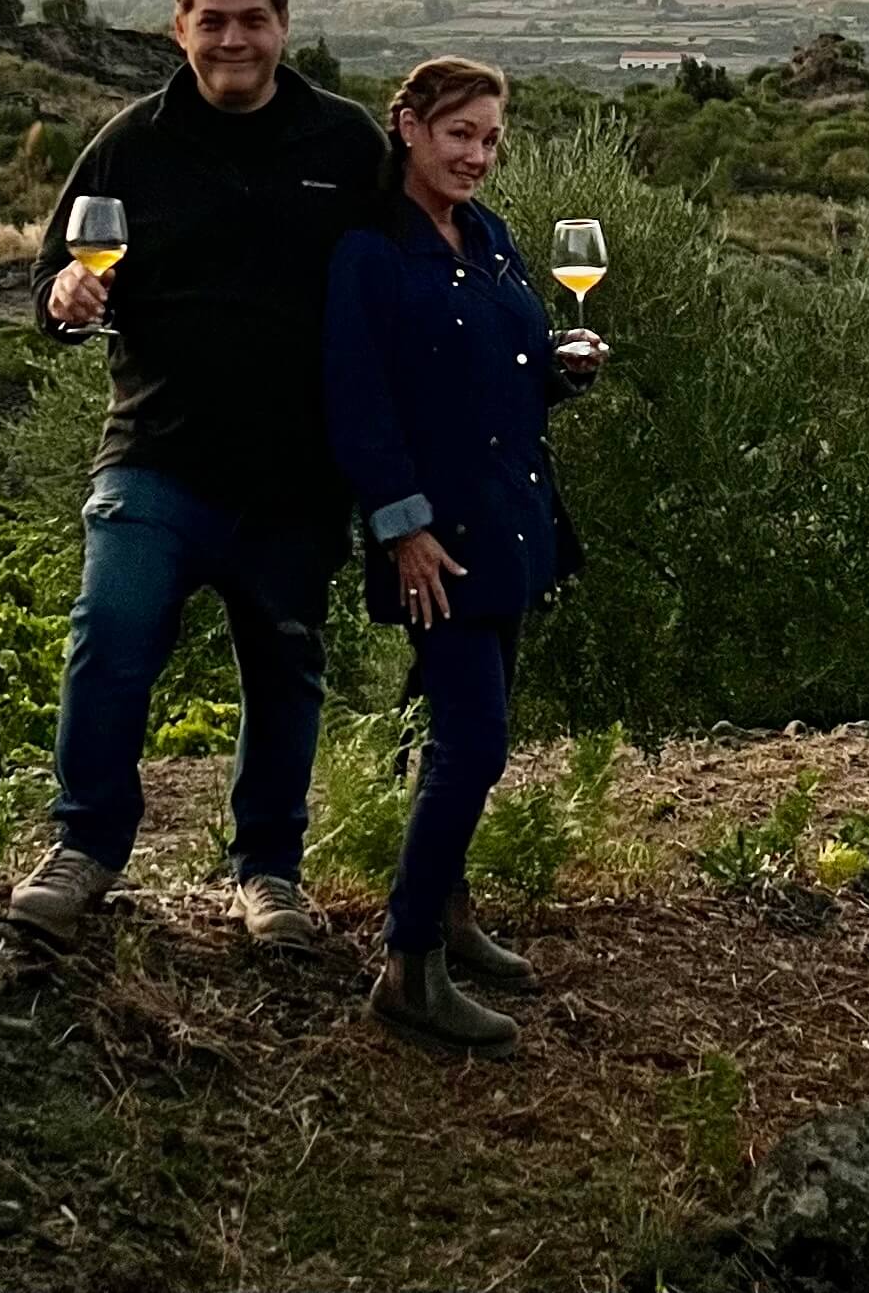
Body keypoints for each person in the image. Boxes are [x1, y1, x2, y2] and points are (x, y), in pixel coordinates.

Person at [9, 0, 387, 950]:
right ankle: (85, 846)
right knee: (109, 635)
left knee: (283, 671)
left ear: (282, 25)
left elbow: (413, 267)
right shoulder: (129, 144)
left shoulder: (344, 143)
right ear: (179, 27)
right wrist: (63, 292)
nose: (231, 36)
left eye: (249, 17)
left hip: (295, 472)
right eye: (210, 19)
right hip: (156, 451)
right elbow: (47, 285)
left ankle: (267, 874)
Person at [323, 57, 604, 1054]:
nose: (476, 154)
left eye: (490, 137)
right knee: (472, 741)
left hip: (511, 526)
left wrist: (563, 375)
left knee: (471, 734)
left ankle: (446, 911)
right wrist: (400, 526)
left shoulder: (487, 238)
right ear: (406, 125)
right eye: (459, 134)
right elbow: (356, 405)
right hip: (433, 544)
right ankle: (405, 967)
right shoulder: (368, 253)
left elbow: (503, 378)